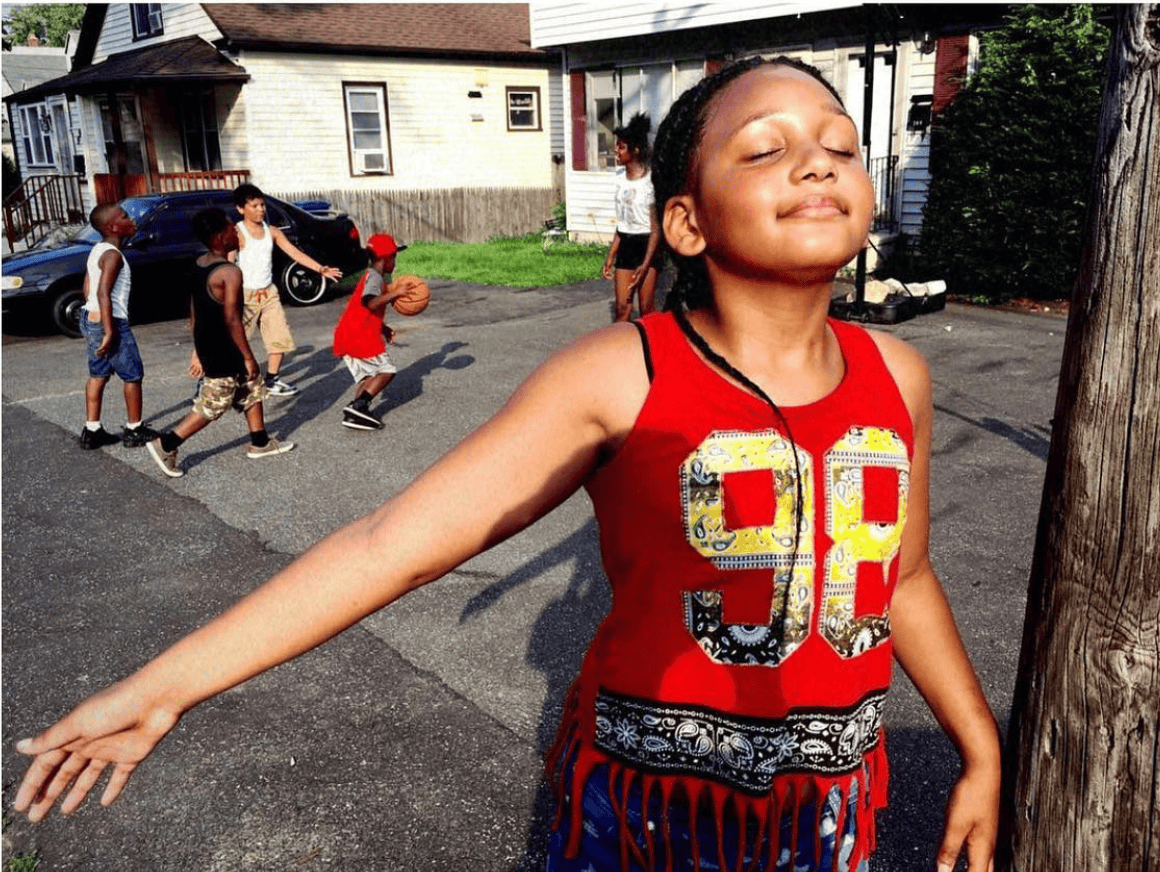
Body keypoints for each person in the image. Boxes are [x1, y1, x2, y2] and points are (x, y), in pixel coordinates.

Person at [13, 58, 1000, 872]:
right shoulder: (621, 371)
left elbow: (899, 576)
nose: (816, 164)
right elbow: (387, 544)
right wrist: (166, 684)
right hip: (647, 821)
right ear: (686, 222)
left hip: (829, 817)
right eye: (765, 149)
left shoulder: (897, 374)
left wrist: (978, 745)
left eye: (837, 145)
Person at [144, 208, 295, 478]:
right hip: (223, 347)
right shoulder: (229, 272)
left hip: (208, 342)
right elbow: (233, 320)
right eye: (231, 230)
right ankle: (167, 443)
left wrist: (196, 348)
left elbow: (194, 309)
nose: (237, 233)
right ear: (218, 238)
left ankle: (260, 441)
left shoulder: (201, 263)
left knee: (251, 386)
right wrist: (247, 356)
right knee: (215, 402)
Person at [231, 183, 343, 397]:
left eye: (262, 205)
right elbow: (227, 263)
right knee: (235, 342)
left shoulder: (272, 232)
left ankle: (272, 380)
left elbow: (294, 252)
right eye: (254, 206)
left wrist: (320, 269)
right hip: (245, 295)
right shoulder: (237, 233)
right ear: (240, 209)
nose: (261, 209)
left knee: (279, 337)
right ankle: (221, 381)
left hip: (269, 293)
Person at [77, 203, 160, 450]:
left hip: (90, 318)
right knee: (133, 375)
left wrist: (95, 318)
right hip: (111, 321)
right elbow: (103, 292)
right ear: (113, 227)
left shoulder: (97, 250)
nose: (131, 218)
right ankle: (134, 429)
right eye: (125, 216)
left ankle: (92, 430)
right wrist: (110, 330)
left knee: (98, 374)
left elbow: (88, 288)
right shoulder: (113, 256)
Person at [332, 233, 408, 431]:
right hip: (359, 336)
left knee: (368, 378)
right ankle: (359, 406)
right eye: (394, 258)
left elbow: (366, 309)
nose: (395, 263)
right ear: (386, 258)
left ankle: (354, 416)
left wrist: (383, 328)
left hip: (348, 333)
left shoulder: (371, 276)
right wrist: (395, 293)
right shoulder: (374, 277)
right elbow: (370, 302)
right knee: (387, 370)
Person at [601, 113, 661, 322]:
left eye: (621, 147)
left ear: (635, 151)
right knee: (622, 308)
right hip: (627, 245)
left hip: (647, 246)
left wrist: (646, 264)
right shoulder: (619, 180)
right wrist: (611, 257)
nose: (616, 151)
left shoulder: (649, 182)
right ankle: (621, 351)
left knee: (646, 310)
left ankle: (650, 352)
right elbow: (622, 223)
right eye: (617, 146)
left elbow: (656, 230)